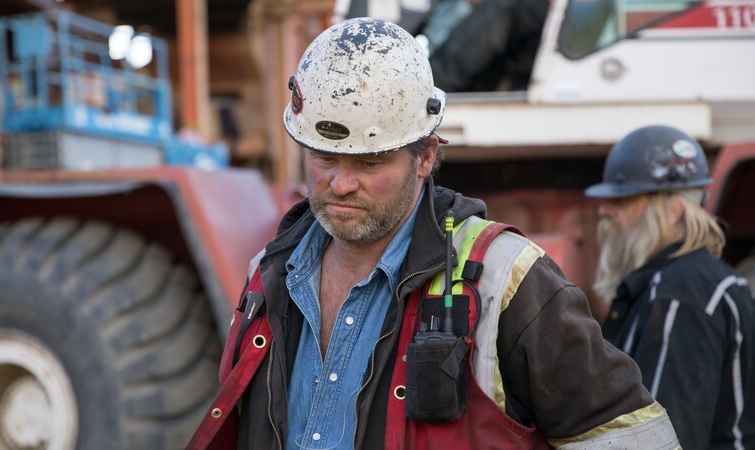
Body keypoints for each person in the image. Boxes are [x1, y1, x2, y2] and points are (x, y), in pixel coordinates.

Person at [188, 18, 678, 449]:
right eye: (323, 157)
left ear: (425, 156)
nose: (340, 183)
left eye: (369, 161)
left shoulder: (505, 281)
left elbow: (628, 435)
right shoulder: (268, 277)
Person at [585, 125, 755, 450]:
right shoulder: (708, 280)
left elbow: (664, 438)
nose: (604, 211)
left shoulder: (679, 295)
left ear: (673, 209)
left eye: (622, 200)